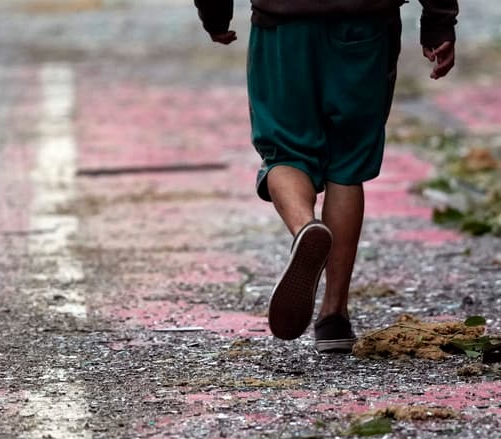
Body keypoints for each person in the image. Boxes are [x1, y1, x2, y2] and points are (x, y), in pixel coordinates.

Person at [194, 0, 458, 353]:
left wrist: (215, 15)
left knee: (285, 152)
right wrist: (439, 24)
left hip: (283, 26)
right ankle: (334, 316)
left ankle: (306, 227)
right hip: (365, 24)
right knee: (347, 165)